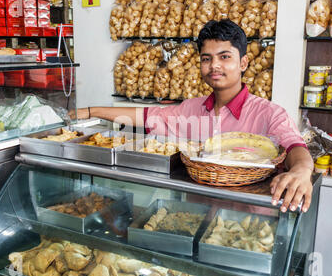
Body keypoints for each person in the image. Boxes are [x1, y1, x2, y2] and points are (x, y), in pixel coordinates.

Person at [77, 19, 314, 213]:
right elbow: (146, 115)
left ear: (243, 62)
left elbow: (295, 147)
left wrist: (301, 172)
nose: (214, 66)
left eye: (225, 57)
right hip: (195, 216)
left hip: (247, 224)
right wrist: (91, 112)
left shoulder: (269, 113)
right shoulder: (190, 109)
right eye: (206, 59)